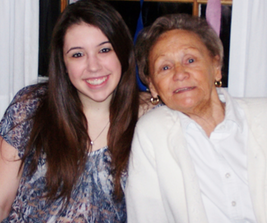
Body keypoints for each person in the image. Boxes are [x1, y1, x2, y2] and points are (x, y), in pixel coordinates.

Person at [0, 0, 139, 222]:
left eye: (104, 50)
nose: (93, 66)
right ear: (63, 64)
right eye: (77, 54)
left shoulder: (148, 126)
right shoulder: (30, 108)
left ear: (122, 53)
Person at [125, 13, 267, 223]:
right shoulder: (152, 133)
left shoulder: (262, 116)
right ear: (153, 86)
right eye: (165, 67)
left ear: (216, 68)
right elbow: (147, 215)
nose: (179, 73)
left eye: (190, 60)